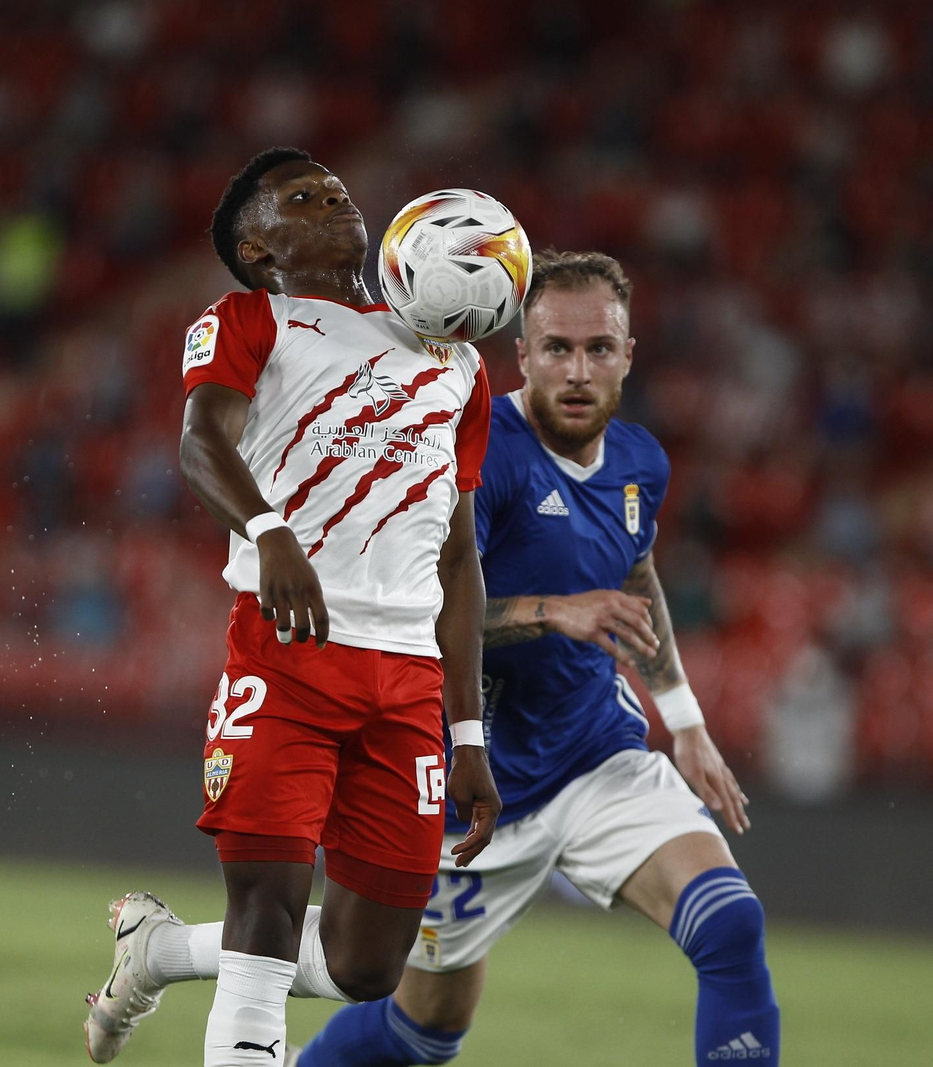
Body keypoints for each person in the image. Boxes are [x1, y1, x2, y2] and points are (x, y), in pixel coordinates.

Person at [296, 250, 781, 1065]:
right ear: (522, 354)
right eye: (557, 347)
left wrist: (686, 719)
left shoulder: (640, 463)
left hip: (597, 755)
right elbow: (424, 610)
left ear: (630, 354)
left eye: (600, 348)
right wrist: (556, 612)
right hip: (474, 790)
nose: (579, 369)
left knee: (730, 922)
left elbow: (635, 575)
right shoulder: (476, 457)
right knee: (423, 1031)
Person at [82, 147, 502, 1067]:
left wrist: (467, 735)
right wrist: (269, 530)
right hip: (286, 656)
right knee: (265, 910)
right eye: (300, 199)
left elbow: (461, 558)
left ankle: (154, 951)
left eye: (334, 187)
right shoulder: (248, 319)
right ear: (259, 250)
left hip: (409, 686)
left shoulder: (457, 361)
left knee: (368, 966)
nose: (333, 198)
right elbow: (200, 443)